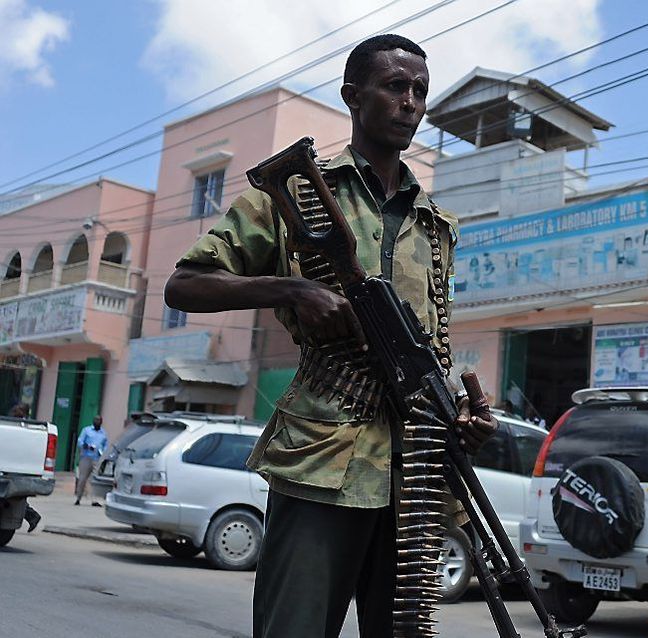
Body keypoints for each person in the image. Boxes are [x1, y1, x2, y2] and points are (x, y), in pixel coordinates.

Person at [163, 34, 496, 638]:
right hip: (323, 456)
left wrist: (462, 418)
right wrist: (289, 291)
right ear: (353, 96)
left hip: (414, 465)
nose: (411, 103)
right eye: (396, 87)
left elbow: (430, 349)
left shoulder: (436, 225)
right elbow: (186, 284)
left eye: (420, 91)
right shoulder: (294, 194)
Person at [8, 403, 42, 531]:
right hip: (12, 464)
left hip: (19, 466)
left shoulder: (28, 427)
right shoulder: (13, 423)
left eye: (20, 410)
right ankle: (32, 516)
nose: (16, 411)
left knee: (16, 496)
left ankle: (32, 516)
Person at [75, 415, 107, 507]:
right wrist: (87, 446)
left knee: (94, 480)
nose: (97, 422)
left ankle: (94, 500)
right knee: (82, 479)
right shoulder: (86, 430)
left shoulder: (103, 433)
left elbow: (105, 445)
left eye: (99, 420)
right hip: (86, 457)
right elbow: (80, 441)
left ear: (101, 422)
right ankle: (78, 498)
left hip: (97, 459)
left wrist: (103, 452)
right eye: (95, 420)